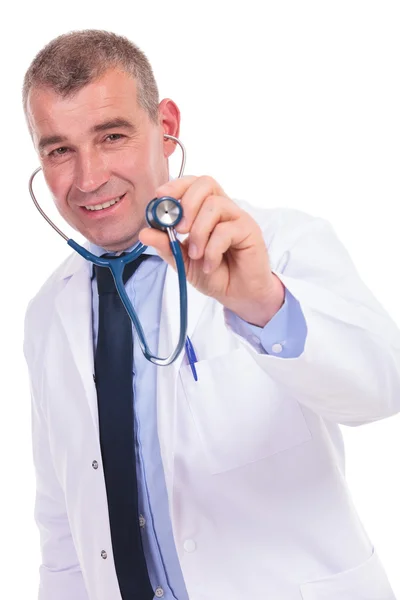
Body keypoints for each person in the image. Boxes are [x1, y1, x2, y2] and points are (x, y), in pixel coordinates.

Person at [23, 29, 400, 600]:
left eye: (113, 135)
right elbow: (62, 520)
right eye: (59, 150)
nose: (89, 177)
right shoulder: (48, 312)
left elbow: (381, 388)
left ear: (166, 127)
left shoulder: (277, 244)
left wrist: (262, 304)